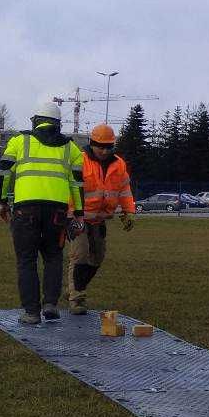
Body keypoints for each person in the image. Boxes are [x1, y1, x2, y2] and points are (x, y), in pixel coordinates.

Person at [0, 103, 86, 325]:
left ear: (36, 121)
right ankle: (50, 304)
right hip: (57, 211)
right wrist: (79, 213)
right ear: (58, 123)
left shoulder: (19, 141)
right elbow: (78, 184)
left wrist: (2, 202)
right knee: (54, 256)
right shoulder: (71, 148)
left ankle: (31, 312)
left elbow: (3, 172)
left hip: (26, 209)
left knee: (26, 260)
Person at [65, 123, 136, 313]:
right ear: (92, 143)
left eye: (108, 147)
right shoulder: (79, 161)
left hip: (99, 219)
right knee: (80, 255)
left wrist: (129, 211)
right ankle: (77, 299)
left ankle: (74, 289)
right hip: (77, 216)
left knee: (97, 258)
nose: (104, 151)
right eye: (100, 146)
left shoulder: (119, 164)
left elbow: (125, 190)